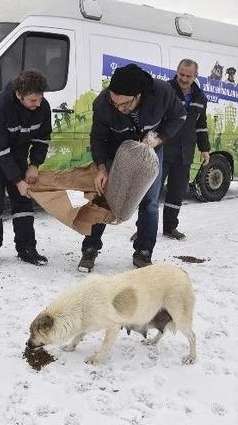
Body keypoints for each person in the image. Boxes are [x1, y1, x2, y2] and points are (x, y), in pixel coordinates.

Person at [78, 63, 185, 272]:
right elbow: (98, 137)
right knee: (104, 197)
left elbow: (178, 116)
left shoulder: (162, 92)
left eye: (125, 104)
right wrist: (101, 167)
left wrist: (159, 138)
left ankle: (143, 252)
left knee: (150, 202)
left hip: (150, 150)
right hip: (116, 151)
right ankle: (90, 248)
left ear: (138, 95)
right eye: (115, 103)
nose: (119, 108)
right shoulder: (103, 103)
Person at [0, 69, 52, 265]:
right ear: (18, 94)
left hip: (17, 149)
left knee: (23, 200)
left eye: (40, 99)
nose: (37, 104)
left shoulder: (42, 107)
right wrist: (17, 180)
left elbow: (42, 139)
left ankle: (26, 248)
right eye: (33, 100)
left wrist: (34, 165)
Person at [159, 59, 211, 240]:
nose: (184, 78)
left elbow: (201, 126)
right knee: (152, 191)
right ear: (177, 72)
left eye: (188, 76)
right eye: (181, 74)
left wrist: (205, 149)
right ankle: (144, 228)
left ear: (195, 76)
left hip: (184, 152)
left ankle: (170, 227)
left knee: (177, 191)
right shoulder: (165, 90)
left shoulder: (200, 98)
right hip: (163, 149)